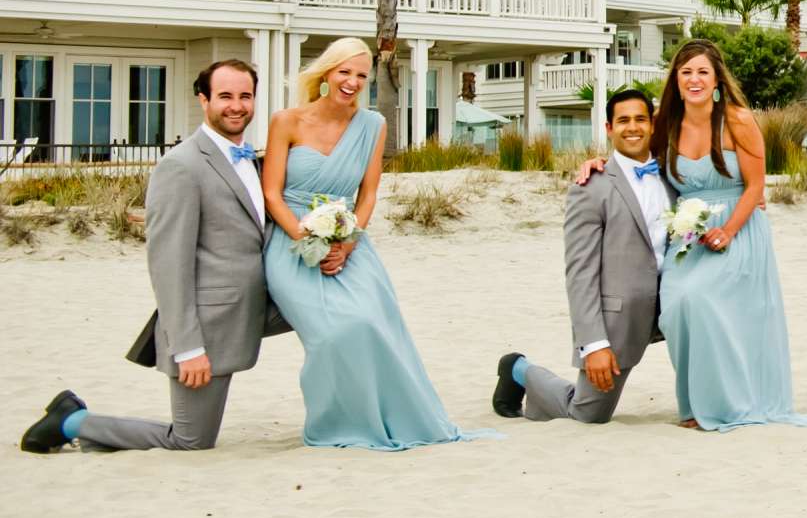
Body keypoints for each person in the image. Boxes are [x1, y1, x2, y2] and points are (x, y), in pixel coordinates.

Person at [21, 61, 290, 454]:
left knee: (332, 311)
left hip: (256, 306)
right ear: (204, 100)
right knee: (191, 439)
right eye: (225, 96)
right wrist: (188, 347)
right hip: (208, 324)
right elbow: (169, 265)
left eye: (245, 96)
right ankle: (72, 420)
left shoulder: (250, 159)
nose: (237, 106)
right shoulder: (182, 166)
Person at [260, 38, 484, 450]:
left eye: (361, 75)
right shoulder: (286, 121)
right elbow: (272, 194)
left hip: (350, 243)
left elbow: (367, 195)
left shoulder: (373, 125)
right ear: (327, 73)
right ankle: (336, 420)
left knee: (373, 324)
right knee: (332, 335)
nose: (352, 82)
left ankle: (393, 416)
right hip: (291, 245)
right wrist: (307, 240)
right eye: (345, 71)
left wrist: (345, 244)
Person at [646, 39, 807, 431]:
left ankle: (720, 405)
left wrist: (729, 231)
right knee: (675, 306)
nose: (694, 79)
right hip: (689, 233)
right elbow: (635, 161)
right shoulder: (665, 123)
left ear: (717, 78)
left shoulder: (737, 119)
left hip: (739, 227)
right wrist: (596, 164)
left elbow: (756, 186)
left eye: (702, 71)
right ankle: (693, 402)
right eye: (686, 72)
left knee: (702, 300)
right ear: (676, 80)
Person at [495, 86, 669, 425]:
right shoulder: (591, 186)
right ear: (608, 128)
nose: (632, 127)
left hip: (673, 307)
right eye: (623, 121)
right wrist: (593, 343)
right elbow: (580, 273)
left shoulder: (674, 176)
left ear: (652, 125)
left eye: (640, 119)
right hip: (622, 314)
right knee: (588, 412)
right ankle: (518, 369)